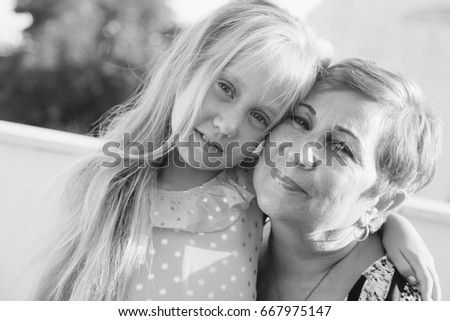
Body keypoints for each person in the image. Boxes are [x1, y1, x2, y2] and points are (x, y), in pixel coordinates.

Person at [34, 1, 437, 301]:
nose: (228, 124)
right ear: (189, 68)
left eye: (260, 116)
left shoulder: (246, 191)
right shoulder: (105, 185)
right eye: (225, 88)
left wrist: (392, 225)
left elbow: (335, 209)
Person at [255, 58, 441, 301]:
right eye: (300, 121)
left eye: (341, 147)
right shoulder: (227, 212)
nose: (299, 152)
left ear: (383, 202)